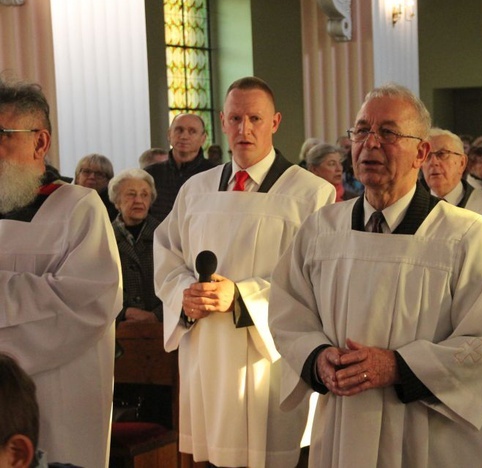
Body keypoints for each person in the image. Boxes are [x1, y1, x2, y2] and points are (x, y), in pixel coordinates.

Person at [269, 84, 482, 467]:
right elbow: (289, 312)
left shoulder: (467, 236)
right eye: (361, 130)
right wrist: (318, 358)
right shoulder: (322, 230)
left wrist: (398, 367)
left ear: (421, 152)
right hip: (344, 423)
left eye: (388, 132)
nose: (371, 143)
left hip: (431, 432)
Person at [154, 76, 336, 467]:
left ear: (275, 122)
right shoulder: (196, 190)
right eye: (235, 118)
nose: (244, 128)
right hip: (204, 351)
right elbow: (168, 256)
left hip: (267, 359)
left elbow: (316, 281)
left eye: (255, 118)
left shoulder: (311, 193)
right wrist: (184, 293)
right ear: (222, 121)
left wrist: (240, 296)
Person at [0, 79, 122, 468]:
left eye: (2, 135)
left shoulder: (79, 208)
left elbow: (87, 304)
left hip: (57, 394)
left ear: (40, 142)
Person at [109, 168, 162, 323]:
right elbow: (96, 288)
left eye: (144, 195)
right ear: (117, 202)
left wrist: (157, 315)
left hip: (162, 328)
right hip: (118, 328)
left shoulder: (165, 235)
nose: (138, 200)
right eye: (131, 194)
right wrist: (124, 312)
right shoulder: (104, 237)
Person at [145, 113, 216, 222]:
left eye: (192, 131)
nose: (184, 136)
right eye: (179, 130)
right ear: (169, 134)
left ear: (203, 138)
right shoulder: (151, 174)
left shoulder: (216, 174)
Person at [74, 152, 117, 219]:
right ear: (77, 177)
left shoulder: (114, 207)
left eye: (99, 174)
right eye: (87, 172)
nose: (92, 177)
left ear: (108, 181)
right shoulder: (66, 199)